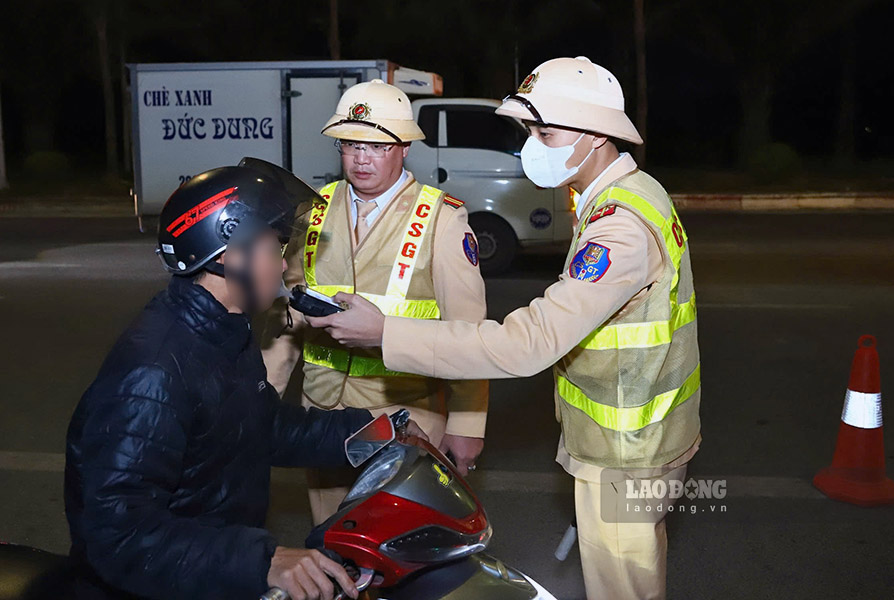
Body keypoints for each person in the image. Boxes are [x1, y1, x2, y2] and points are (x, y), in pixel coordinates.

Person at [304, 57, 702, 600]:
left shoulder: (621, 225)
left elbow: (529, 343)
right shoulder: (630, 197)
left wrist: (386, 334)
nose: (533, 144)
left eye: (544, 131)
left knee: (624, 588)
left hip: (627, 451)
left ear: (592, 135)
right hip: (630, 441)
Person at [64, 160, 393, 600]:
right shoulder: (154, 372)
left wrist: (374, 433)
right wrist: (260, 561)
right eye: (275, 249)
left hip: (210, 572)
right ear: (228, 256)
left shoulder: (223, 330)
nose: (283, 267)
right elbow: (116, 532)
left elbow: (259, 425)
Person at [259, 79, 489, 525]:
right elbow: (285, 316)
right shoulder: (313, 212)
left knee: (403, 551)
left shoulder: (442, 220)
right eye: (350, 144)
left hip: (406, 417)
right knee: (332, 547)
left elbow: (469, 333)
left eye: (377, 146)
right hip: (322, 418)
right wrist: (261, 395)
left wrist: (467, 425)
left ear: (404, 147)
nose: (361, 158)